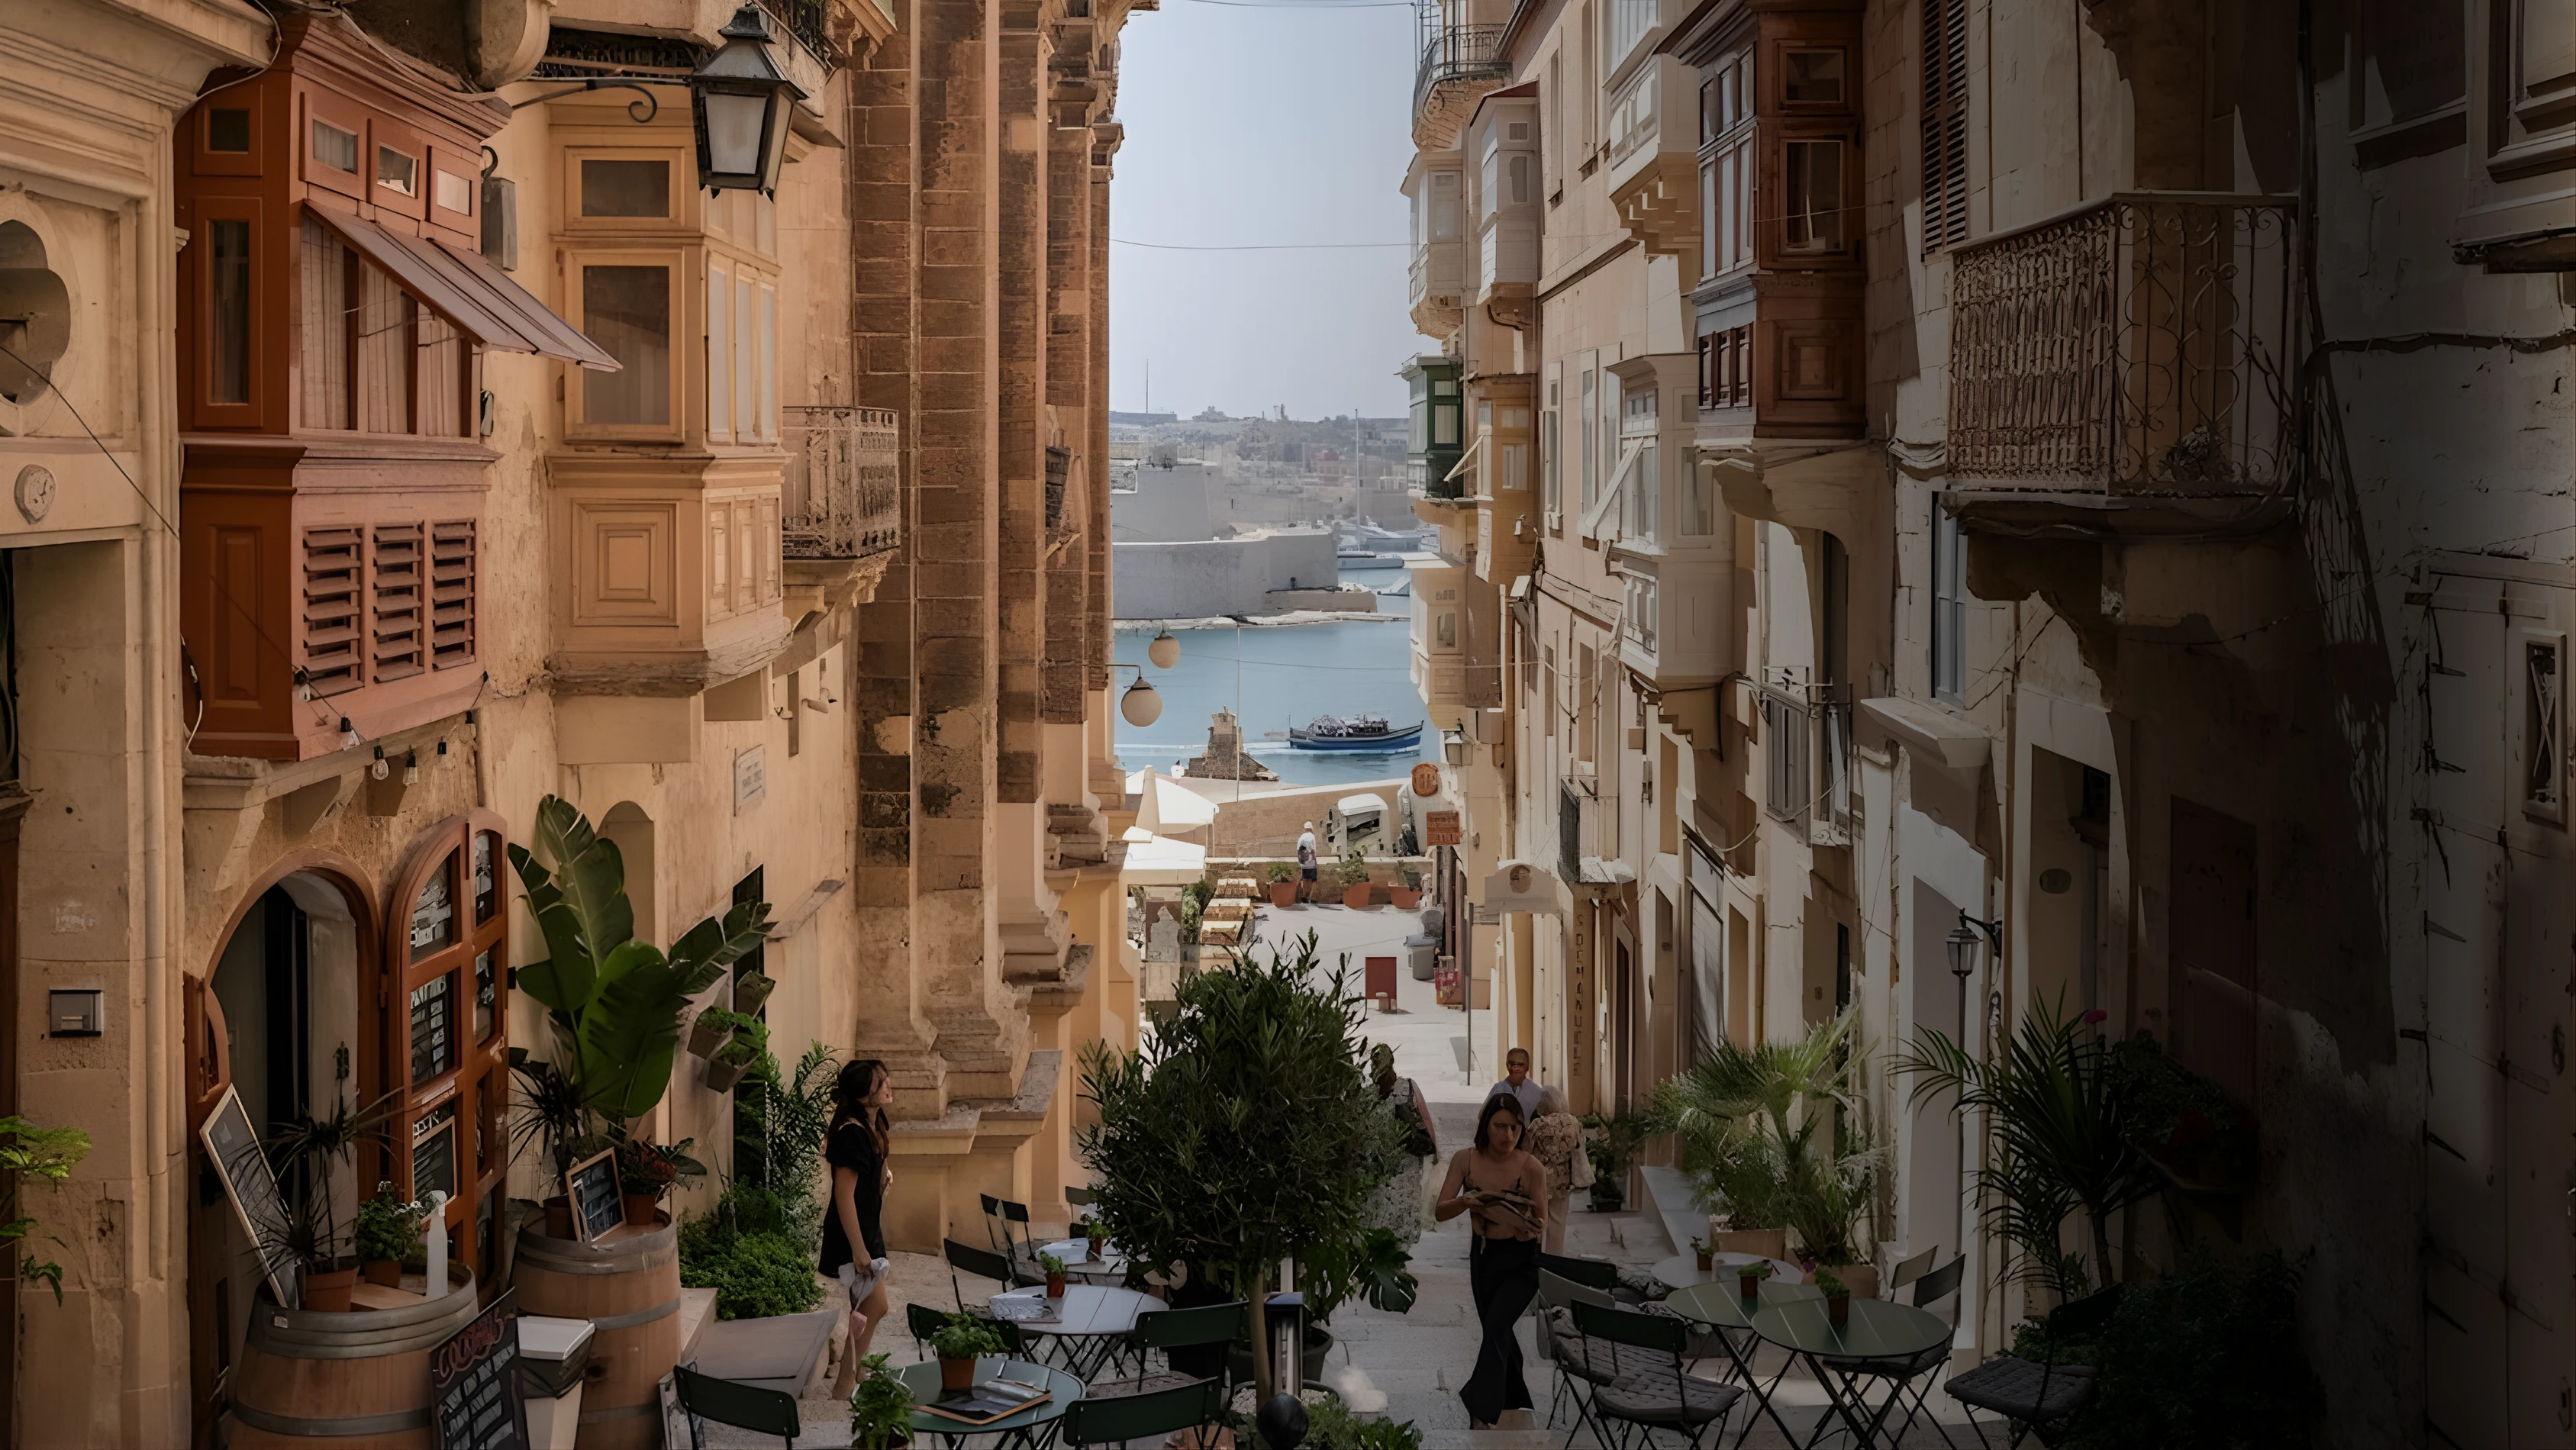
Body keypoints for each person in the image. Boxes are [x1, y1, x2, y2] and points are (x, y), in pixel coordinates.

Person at [1436, 1094, 1548, 1429]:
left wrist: (1527, 1228)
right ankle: (1513, 1395)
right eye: (1500, 1126)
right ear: (1485, 1126)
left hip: (1522, 1262)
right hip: (1484, 1257)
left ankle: (1478, 1406)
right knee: (1496, 1330)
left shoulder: (1531, 1167)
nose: (1508, 1135)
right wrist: (1467, 1200)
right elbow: (1440, 1210)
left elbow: (1542, 1222)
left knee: (1497, 1326)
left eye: (1514, 1127)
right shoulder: (1465, 1161)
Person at [824, 1058, 895, 1397]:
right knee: (874, 1306)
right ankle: (844, 1382)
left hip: (868, 1228)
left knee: (865, 1309)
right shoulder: (851, 1133)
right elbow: (843, 1195)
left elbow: (875, 1164)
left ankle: (854, 1371)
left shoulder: (874, 1120)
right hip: (853, 1234)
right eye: (880, 1083)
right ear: (864, 1095)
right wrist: (859, 1249)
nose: (887, 1085)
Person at [1362, 1042, 1438, 1245]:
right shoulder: (1370, 1093)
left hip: (1403, 1163)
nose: (1377, 1063)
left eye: (1379, 1059)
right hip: (1385, 1167)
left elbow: (1422, 1120)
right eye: (1375, 1059)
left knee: (1395, 1216)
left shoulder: (1403, 1087)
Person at [1521, 1084, 1588, 1254]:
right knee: (1558, 1223)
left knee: (1537, 1220)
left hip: (1538, 1181)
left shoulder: (1539, 1124)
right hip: (1563, 1182)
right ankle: (1554, 1259)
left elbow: (1525, 1152)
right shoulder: (1574, 1123)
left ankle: (1536, 1257)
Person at [1486, 1047, 1542, 1125]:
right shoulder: (1498, 1089)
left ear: (1527, 1066)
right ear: (1507, 1066)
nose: (1517, 1068)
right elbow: (1485, 1118)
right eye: (1513, 1064)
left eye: (1520, 1064)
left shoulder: (1536, 1092)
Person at [1296, 822, 1320, 901]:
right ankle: (1312, 896)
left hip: (1303, 863)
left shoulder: (1301, 837)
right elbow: (1314, 849)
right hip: (1311, 862)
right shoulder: (1312, 836)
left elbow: (1298, 850)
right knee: (1313, 880)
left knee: (1305, 879)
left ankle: (1305, 895)